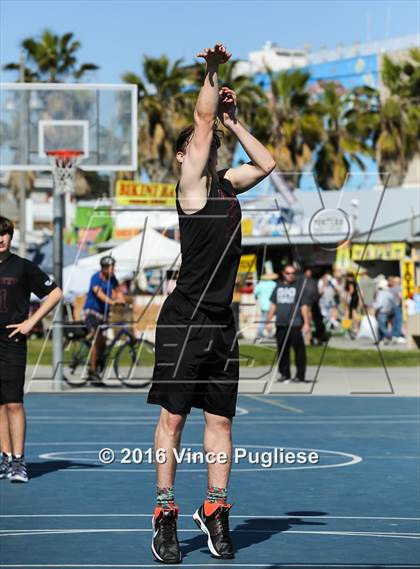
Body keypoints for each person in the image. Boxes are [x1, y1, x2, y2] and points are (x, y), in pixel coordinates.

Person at [146, 42, 275, 564]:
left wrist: (233, 118)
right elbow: (200, 122)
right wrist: (212, 71)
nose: (209, 146)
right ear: (184, 157)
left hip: (221, 323)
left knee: (221, 422)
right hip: (184, 320)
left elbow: (265, 162)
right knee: (173, 420)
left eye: (211, 142)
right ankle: (164, 514)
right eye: (202, 143)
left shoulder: (225, 185)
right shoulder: (191, 187)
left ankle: (215, 508)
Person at [0, 215, 63, 483]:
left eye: (4, 234)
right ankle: (4, 458)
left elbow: (56, 294)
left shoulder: (23, 267)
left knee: (14, 403)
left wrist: (31, 322)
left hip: (12, 341)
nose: (0, 239)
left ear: (11, 237)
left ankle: (18, 461)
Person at [81, 256, 125, 382]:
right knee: (97, 338)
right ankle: (92, 369)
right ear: (104, 268)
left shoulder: (112, 279)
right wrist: (112, 302)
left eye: (113, 267)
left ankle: (97, 366)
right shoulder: (96, 277)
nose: (113, 270)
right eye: (111, 267)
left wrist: (121, 300)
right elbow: (98, 293)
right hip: (90, 312)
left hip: (102, 315)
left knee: (103, 342)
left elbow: (118, 291)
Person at [266, 265, 311, 383]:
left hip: (295, 324)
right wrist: (269, 320)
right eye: (288, 273)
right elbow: (273, 305)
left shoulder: (299, 287)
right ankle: (285, 374)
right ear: (283, 273)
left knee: (299, 351)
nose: (291, 275)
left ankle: (300, 375)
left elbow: (304, 306)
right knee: (282, 350)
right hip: (281, 323)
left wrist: (306, 323)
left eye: (293, 273)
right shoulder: (278, 287)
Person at [303, 267, 327, 345]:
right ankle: (308, 339)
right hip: (307, 306)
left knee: (312, 323)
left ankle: (310, 339)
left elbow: (317, 294)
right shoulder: (304, 282)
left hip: (312, 305)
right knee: (308, 323)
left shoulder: (313, 282)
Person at [254, 271, 278, 338]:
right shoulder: (274, 284)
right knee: (271, 319)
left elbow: (255, 292)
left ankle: (260, 332)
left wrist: (257, 297)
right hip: (273, 305)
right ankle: (269, 333)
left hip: (264, 305)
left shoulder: (261, 284)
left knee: (264, 319)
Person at [373, 278, 395, 344]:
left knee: (381, 327)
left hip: (381, 312)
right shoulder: (389, 293)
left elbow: (379, 304)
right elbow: (393, 303)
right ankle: (380, 340)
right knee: (382, 326)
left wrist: (372, 305)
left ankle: (390, 336)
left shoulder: (380, 294)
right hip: (388, 312)